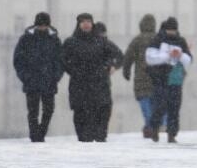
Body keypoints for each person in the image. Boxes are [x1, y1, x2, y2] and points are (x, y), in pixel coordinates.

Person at [62, 13, 120, 142]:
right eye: (83, 21)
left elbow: (117, 56)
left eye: (88, 21)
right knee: (81, 116)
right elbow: (63, 60)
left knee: (101, 114)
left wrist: (110, 66)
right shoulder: (71, 42)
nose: (86, 24)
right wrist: (75, 71)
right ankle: (84, 140)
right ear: (78, 24)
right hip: (79, 86)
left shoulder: (101, 41)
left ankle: (99, 139)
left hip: (99, 85)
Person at [12, 12, 64, 142]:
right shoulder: (26, 39)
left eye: (44, 25)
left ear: (48, 25)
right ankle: (35, 136)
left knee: (49, 110)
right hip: (31, 81)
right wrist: (25, 76)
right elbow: (18, 60)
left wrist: (55, 77)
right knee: (33, 112)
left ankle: (41, 133)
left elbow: (60, 61)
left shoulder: (54, 40)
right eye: (40, 25)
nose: (42, 28)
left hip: (49, 81)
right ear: (35, 25)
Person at [145, 17, 192, 143]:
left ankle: (172, 133)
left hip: (176, 79)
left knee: (174, 107)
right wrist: (167, 56)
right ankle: (154, 128)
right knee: (160, 106)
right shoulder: (157, 40)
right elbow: (150, 58)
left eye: (174, 30)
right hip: (160, 78)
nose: (171, 32)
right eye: (169, 30)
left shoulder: (181, 41)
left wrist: (180, 55)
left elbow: (188, 60)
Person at [122, 14, 158, 134]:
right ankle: (156, 125)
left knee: (145, 102)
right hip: (156, 78)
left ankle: (149, 125)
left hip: (141, 78)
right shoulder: (158, 39)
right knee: (155, 103)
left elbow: (127, 58)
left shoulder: (137, 40)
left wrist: (126, 71)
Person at [92, 22, 124, 142]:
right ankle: (99, 133)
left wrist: (114, 66)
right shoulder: (93, 44)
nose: (102, 36)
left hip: (103, 81)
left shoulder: (107, 44)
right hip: (94, 82)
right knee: (100, 108)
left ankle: (100, 133)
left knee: (104, 108)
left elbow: (120, 56)